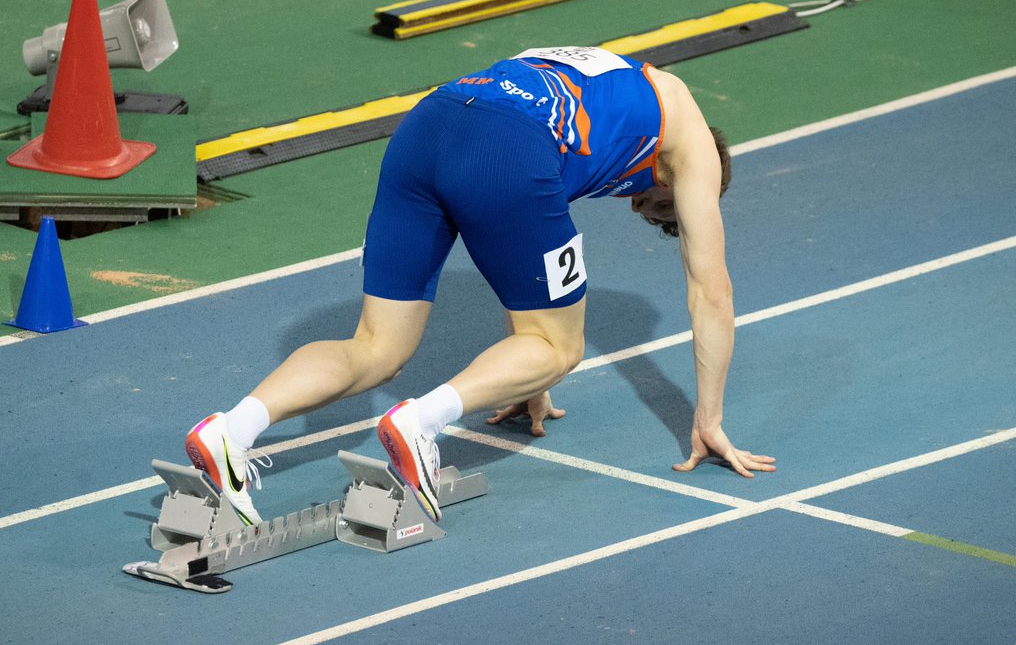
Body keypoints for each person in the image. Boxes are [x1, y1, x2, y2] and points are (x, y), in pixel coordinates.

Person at [185, 46, 775, 526]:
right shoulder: (693, 146)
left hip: (430, 123)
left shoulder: (617, 88)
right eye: (663, 209)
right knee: (561, 348)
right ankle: (419, 425)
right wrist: (710, 419)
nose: (645, 209)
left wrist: (525, 377)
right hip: (509, 147)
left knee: (376, 348)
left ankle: (231, 432)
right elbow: (710, 291)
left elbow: (514, 249)